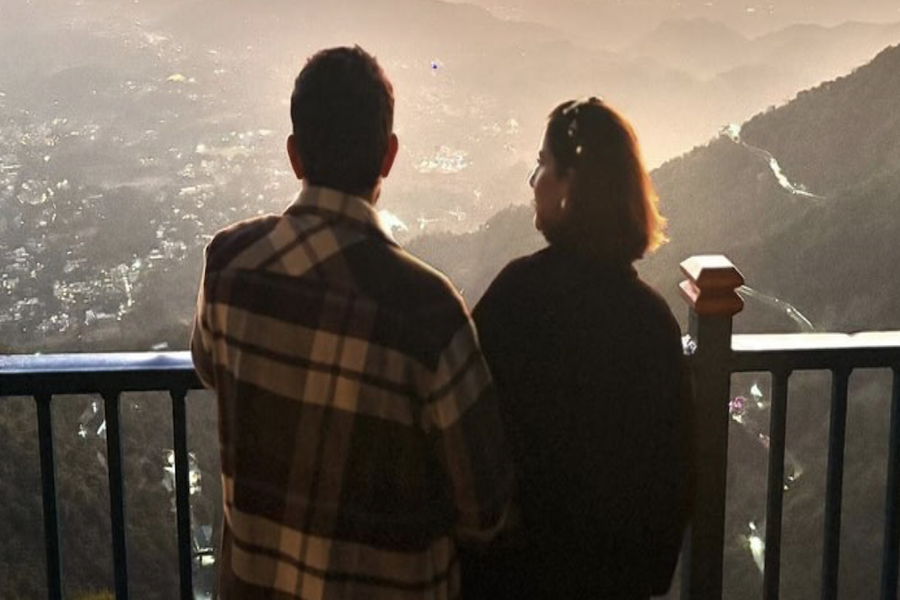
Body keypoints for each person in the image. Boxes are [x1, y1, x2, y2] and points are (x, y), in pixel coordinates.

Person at [190, 46, 513, 600]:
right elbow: (485, 510)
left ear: (295, 155)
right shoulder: (429, 313)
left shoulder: (229, 266)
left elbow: (206, 365)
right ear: (389, 155)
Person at [463, 97, 695, 600]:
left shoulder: (518, 296)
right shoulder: (652, 321)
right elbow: (672, 474)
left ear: (571, 184)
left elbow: (466, 426)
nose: (533, 181)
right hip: (614, 582)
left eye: (543, 165)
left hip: (514, 577)